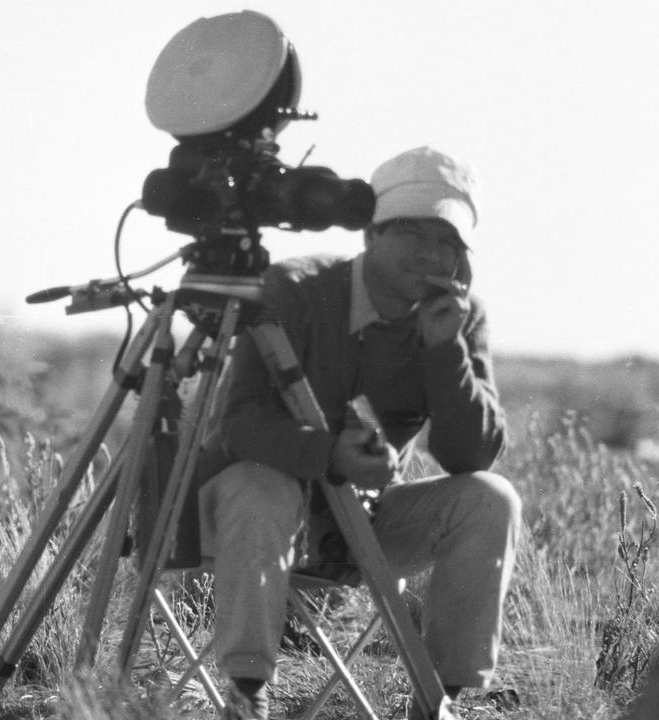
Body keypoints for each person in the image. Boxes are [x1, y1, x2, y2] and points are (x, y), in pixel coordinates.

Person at [197, 146, 521, 720]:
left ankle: (440, 698)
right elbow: (238, 424)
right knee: (257, 484)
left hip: (359, 527)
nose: (429, 253)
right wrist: (328, 456)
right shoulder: (295, 289)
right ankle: (247, 698)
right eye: (410, 233)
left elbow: (470, 455)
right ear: (370, 235)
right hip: (256, 518)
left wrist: (444, 351)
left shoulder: (458, 317)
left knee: (489, 500)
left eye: (445, 241)